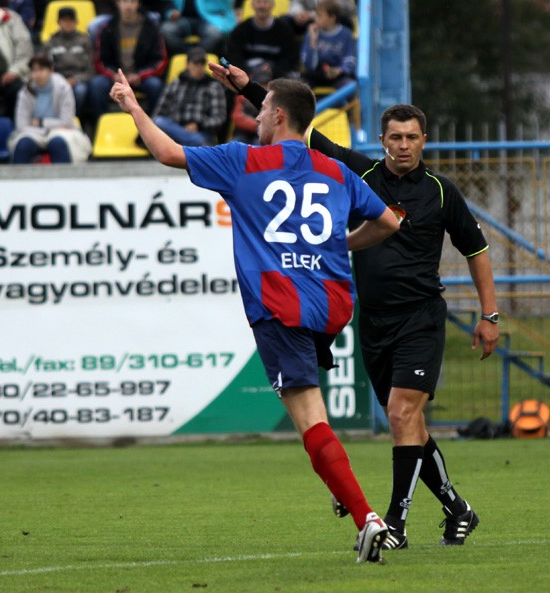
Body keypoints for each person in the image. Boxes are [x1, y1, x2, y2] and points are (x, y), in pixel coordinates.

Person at [110, 68, 401, 562]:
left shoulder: (243, 161)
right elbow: (389, 222)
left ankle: (366, 518)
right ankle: (340, 486)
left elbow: (168, 152)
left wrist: (133, 106)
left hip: (279, 304)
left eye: (261, 109)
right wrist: (341, 244)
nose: (255, 117)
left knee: (309, 419)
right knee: (315, 415)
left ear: (279, 116)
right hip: (330, 303)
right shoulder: (335, 171)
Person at [209, 61, 498, 550]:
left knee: (402, 415)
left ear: (424, 141)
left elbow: (477, 250)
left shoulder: (441, 191)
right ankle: (457, 507)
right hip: (375, 321)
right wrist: (251, 89)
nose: (403, 145)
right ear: (382, 141)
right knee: (407, 422)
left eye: (411, 137)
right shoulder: (359, 172)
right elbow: (300, 129)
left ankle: (395, 523)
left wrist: (489, 316)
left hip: (421, 317)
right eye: (395, 137)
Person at [89, 0, 167, 123]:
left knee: (155, 85)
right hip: (115, 77)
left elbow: (160, 60)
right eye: (125, 1)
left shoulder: (151, 28)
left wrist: (140, 75)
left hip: (141, 77)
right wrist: (114, 75)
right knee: (97, 84)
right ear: (117, 3)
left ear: (139, 4)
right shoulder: (107, 27)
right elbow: (100, 60)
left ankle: (154, 124)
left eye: (132, 1)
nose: (128, 5)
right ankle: (100, 123)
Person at [8, 52, 91, 164]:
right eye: (34, 70)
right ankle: (18, 176)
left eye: (41, 69)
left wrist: (41, 123)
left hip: (61, 132)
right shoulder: (25, 92)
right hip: (32, 132)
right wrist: (44, 129)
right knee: (23, 145)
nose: (37, 74)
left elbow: (66, 121)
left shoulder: (63, 88)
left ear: (51, 70)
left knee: (57, 143)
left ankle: (65, 176)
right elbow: (21, 125)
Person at [151, 46, 225, 147]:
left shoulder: (214, 86)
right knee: (158, 121)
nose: (199, 67)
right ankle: (190, 144)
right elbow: (159, 112)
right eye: (195, 63)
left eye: (202, 63)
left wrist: (199, 125)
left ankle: (183, 144)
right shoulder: (175, 83)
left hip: (201, 132)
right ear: (188, 65)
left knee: (199, 139)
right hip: (174, 129)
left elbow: (219, 118)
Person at [42, 6, 93, 126]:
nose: (68, 23)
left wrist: (75, 79)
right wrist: (60, 80)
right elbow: (45, 68)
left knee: (80, 91)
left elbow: (91, 69)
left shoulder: (85, 41)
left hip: (79, 79)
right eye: (64, 20)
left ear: (76, 22)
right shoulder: (51, 43)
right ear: (58, 22)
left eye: (71, 20)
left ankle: (77, 120)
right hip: (58, 79)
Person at [225, 0, 300, 80]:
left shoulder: (284, 29)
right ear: (253, 5)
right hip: (248, 77)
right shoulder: (241, 29)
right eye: (258, 2)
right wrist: (248, 72)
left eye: (265, 2)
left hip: (277, 78)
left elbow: (290, 57)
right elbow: (234, 55)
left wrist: (274, 72)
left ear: (272, 5)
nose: (262, 6)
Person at [299, 0, 355, 91]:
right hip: (316, 76)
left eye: (319, 15)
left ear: (332, 18)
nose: (316, 19)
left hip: (338, 76)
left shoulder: (346, 34)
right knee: (299, 86)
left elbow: (350, 59)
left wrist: (339, 70)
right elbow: (309, 65)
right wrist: (313, 42)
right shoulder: (310, 34)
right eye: (316, 15)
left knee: (350, 86)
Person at [160, 0, 235, 56]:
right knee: (166, 30)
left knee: (214, 33)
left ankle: (198, 56)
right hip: (181, 19)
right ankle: (190, 56)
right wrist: (170, 12)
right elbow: (166, 3)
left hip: (210, 18)